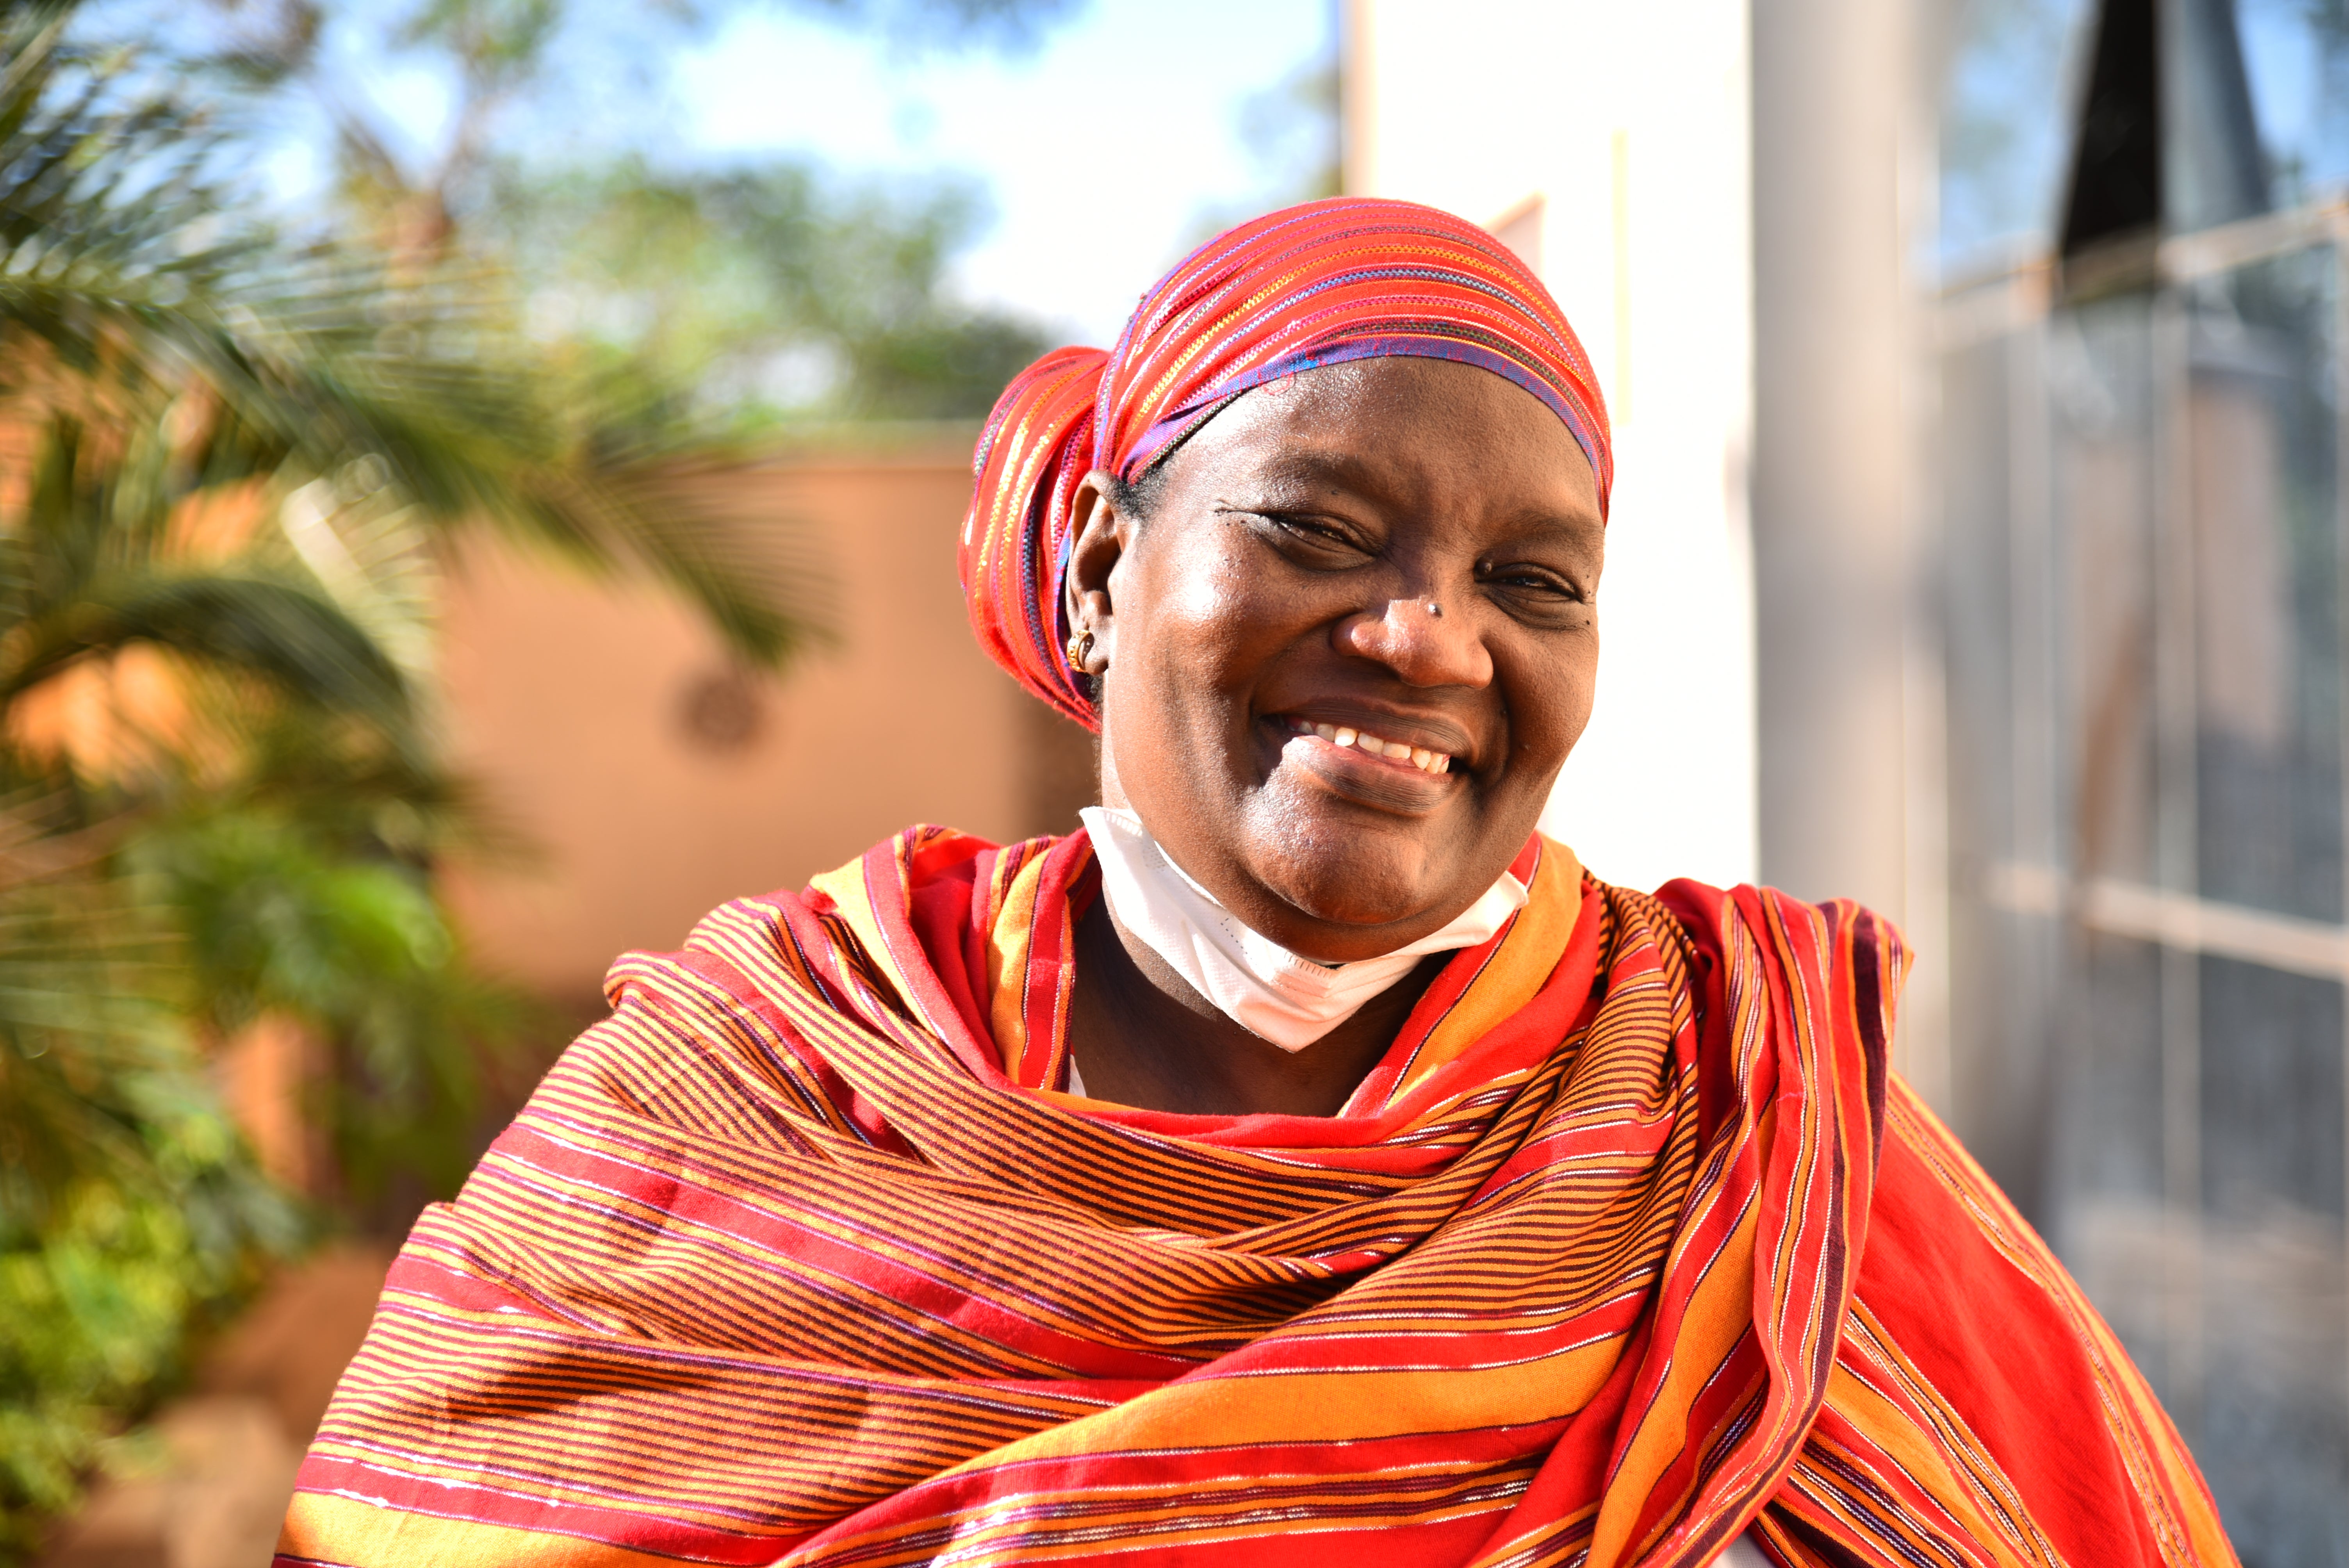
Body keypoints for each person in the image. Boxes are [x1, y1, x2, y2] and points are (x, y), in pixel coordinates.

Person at [275, 198, 2234, 1568]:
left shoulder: (1741, 1117)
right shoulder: (771, 1077)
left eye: (1531, 582)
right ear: (1106, 573)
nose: (1428, 639)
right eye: (1319, 525)